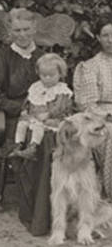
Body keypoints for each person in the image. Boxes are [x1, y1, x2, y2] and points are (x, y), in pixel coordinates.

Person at [0, 7, 43, 202]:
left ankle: (41, 196)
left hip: (42, 112)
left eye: (26, 29)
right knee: (13, 143)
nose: (23, 34)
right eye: (17, 30)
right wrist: (18, 108)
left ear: (34, 28)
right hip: (12, 113)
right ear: (10, 31)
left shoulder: (42, 56)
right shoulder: (4, 56)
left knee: (48, 139)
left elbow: (56, 85)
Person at [73, 13, 112, 201]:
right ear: (97, 37)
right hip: (100, 119)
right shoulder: (90, 66)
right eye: (105, 35)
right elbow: (88, 105)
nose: (111, 39)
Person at [9, 53, 73, 159]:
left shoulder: (61, 90)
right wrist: (25, 111)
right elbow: (28, 101)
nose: (47, 78)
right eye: (44, 75)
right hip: (34, 117)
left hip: (53, 120)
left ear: (60, 74)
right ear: (38, 73)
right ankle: (18, 145)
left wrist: (48, 114)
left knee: (38, 127)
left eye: (51, 75)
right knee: (22, 124)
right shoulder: (36, 87)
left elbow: (60, 107)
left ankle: (32, 147)